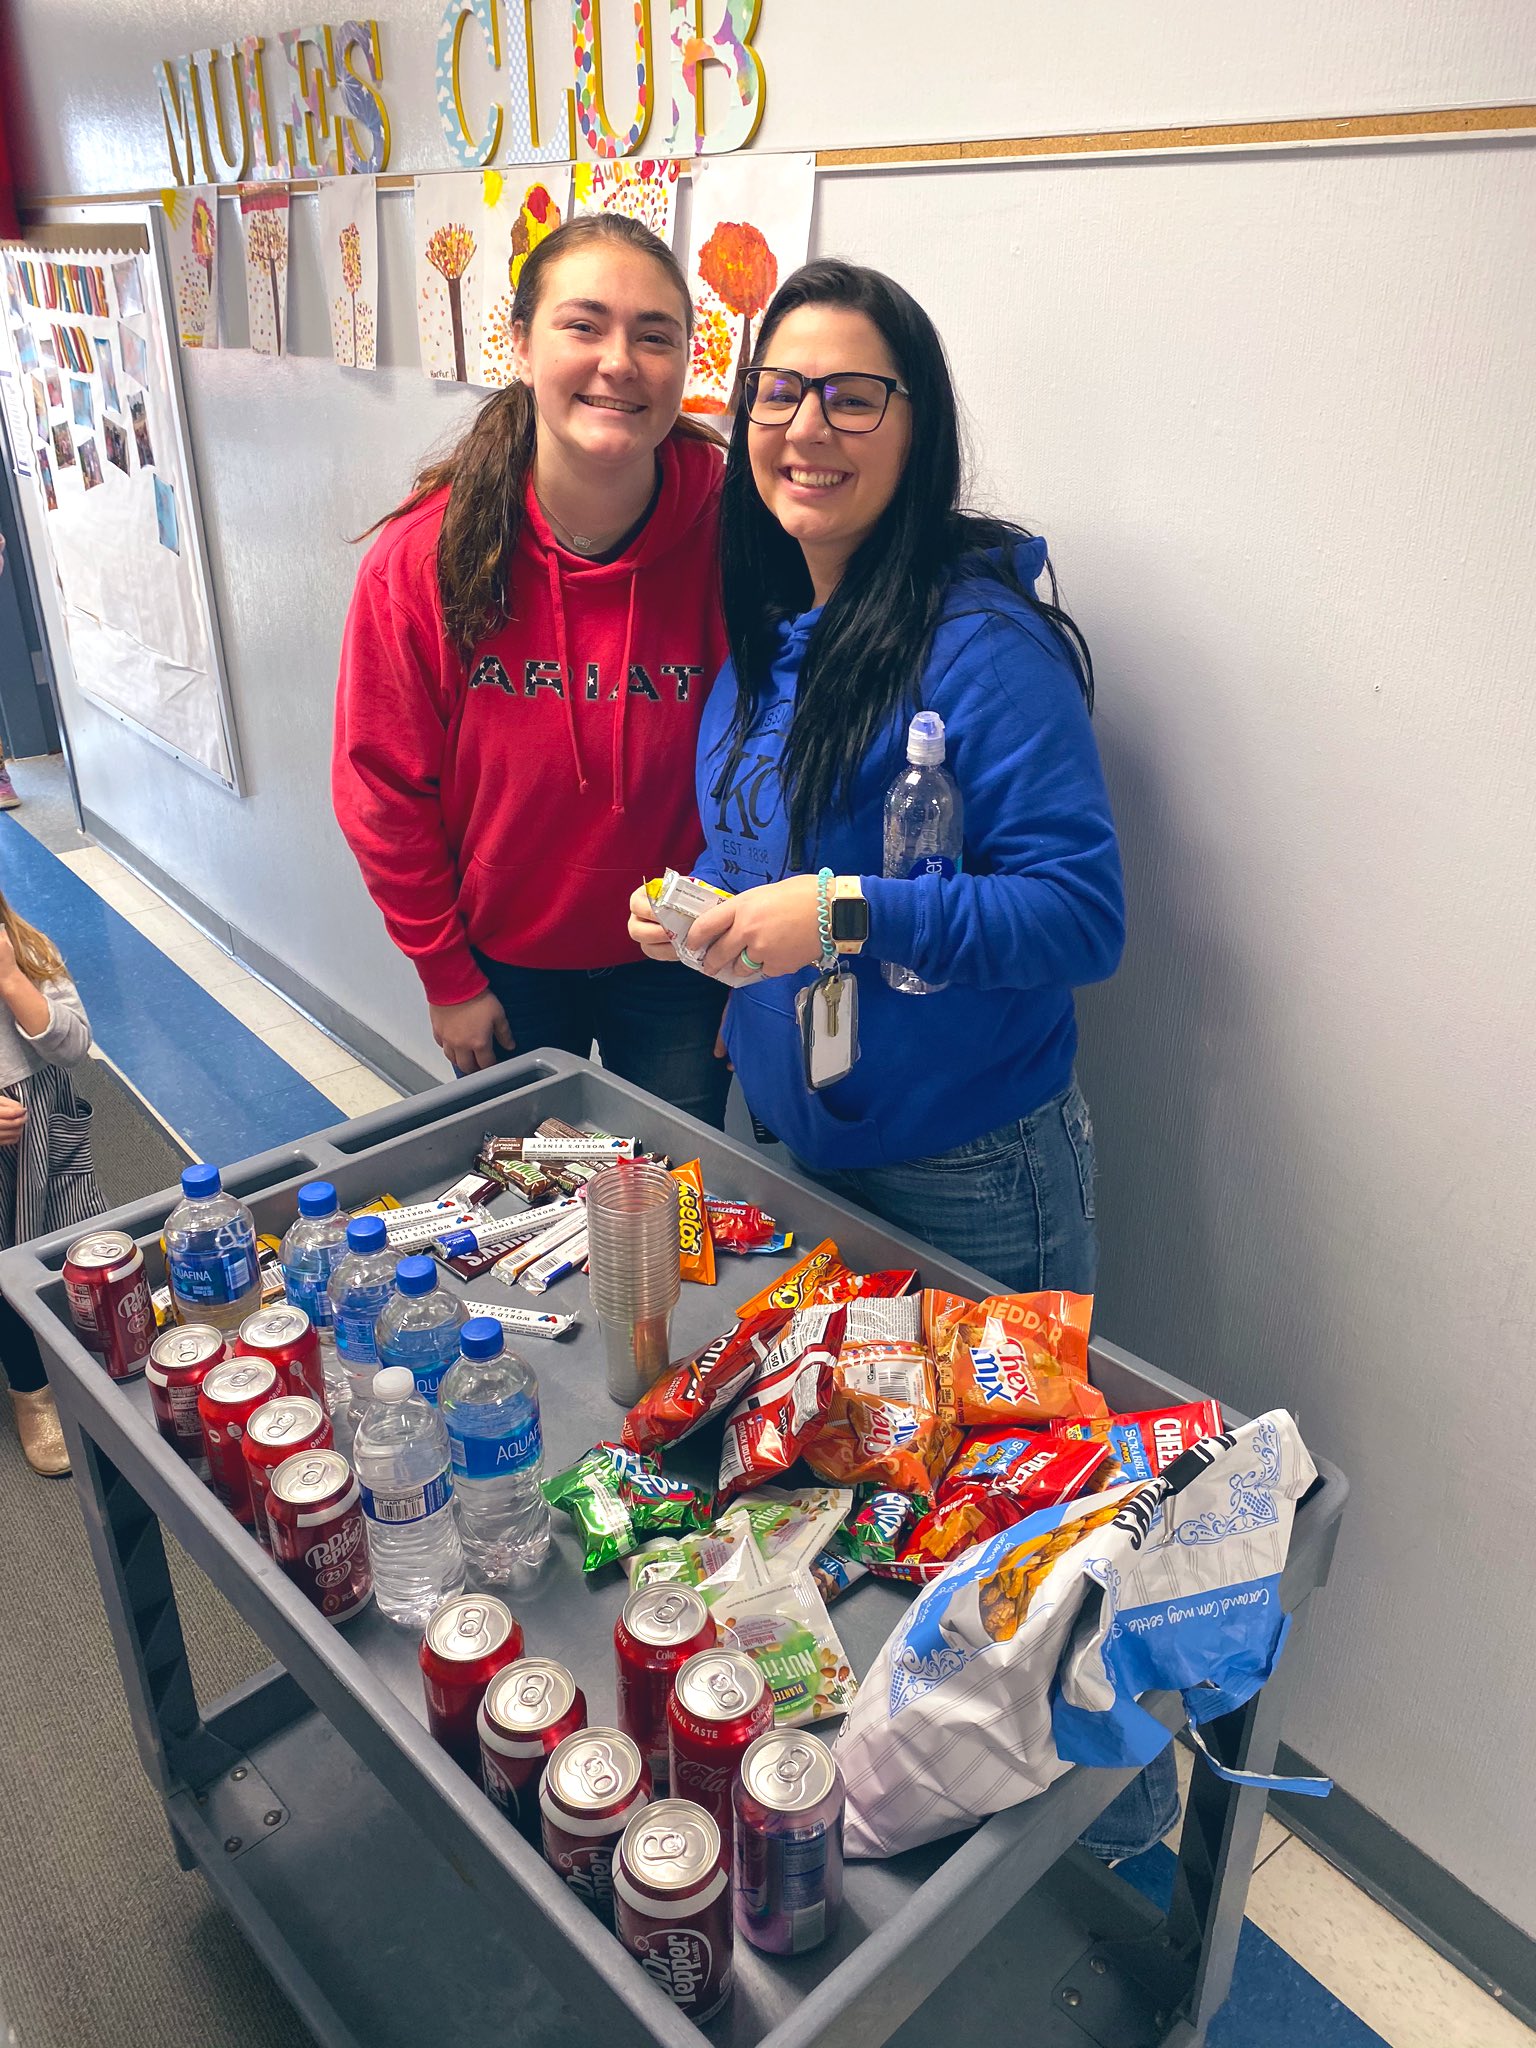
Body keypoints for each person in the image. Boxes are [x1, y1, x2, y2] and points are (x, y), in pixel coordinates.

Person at [629, 258, 1173, 1860]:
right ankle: (900, 1840)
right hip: (813, 1165)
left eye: (852, 393)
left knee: (1021, 1572)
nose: (809, 426)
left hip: (974, 1181)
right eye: (779, 393)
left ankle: (1103, 1858)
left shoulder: (982, 645)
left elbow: (1082, 916)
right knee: (883, 1540)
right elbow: (776, 874)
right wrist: (713, 926)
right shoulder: (773, 632)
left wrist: (843, 911)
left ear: (913, 425)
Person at [334, 213, 731, 1124]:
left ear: (684, 364)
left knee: (675, 1214)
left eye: (654, 335)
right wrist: (444, 974)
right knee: (521, 1228)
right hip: (501, 966)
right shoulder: (425, 554)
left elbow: (784, 756)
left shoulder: (737, 534)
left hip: (682, 955)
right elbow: (382, 787)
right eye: (583, 325)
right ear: (519, 345)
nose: (619, 361)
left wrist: (751, 956)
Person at [0, 886, 104, 1475]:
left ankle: (95, 1357)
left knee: (79, 1248)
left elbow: (75, 1044)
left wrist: (13, 981)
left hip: (49, 1142)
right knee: (4, 1270)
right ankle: (31, 1387)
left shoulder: (30, 950)